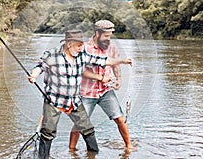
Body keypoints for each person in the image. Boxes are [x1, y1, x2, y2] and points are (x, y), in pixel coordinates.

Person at [28, 29, 133, 159]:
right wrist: (34, 74)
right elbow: (40, 66)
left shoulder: (82, 55)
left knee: (88, 130)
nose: (81, 48)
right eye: (79, 45)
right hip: (54, 100)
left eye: (82, 44)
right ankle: (43, 157)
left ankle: (93, 155)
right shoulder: (52, 55)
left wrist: (123, 61)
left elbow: (103, 60)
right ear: (69, 44)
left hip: (74, 101)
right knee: (48, 132)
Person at [69, 20, 135, 151]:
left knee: (120, 119)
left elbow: (115, 64)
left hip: (105, 91)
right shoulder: (83, 48)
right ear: (97, 33)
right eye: (106, 36)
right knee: (79, 123)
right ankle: (71, 149)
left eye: (110, 36)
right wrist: (100, 77)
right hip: (86, 93)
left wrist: (119, 79)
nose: (108, 39)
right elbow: (80, 70)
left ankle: (129, 147)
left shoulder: (111, 47)